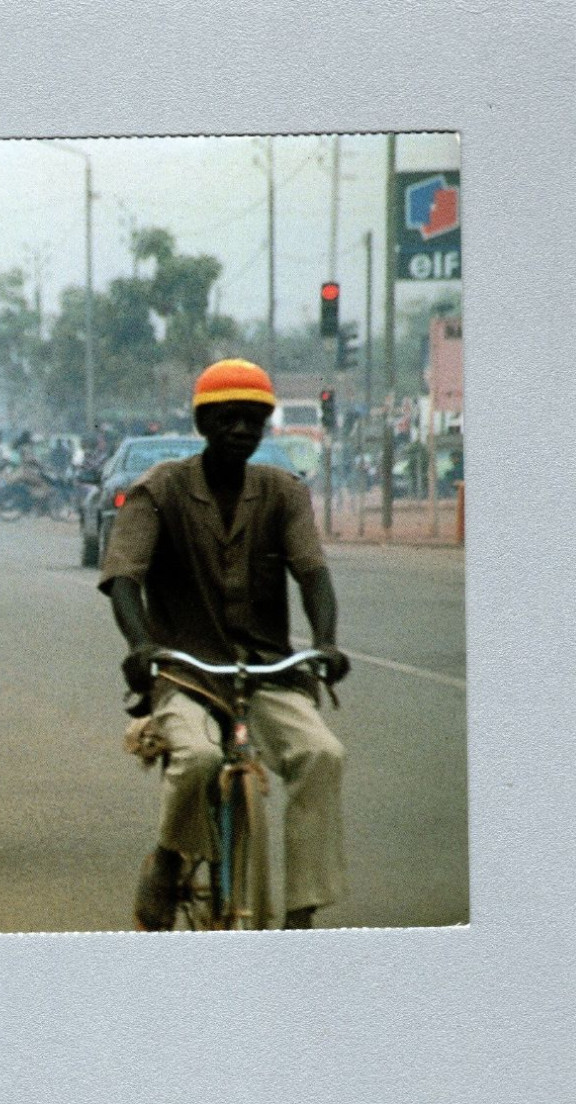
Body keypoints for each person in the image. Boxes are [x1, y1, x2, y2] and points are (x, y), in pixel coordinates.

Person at [97, 359, 351, 931]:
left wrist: (328, 643)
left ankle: (302, 911)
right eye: (229, 418)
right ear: (205, 423)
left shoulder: (284, 492)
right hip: (186, 672)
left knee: (321, 755)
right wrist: (141, 645)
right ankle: (168, 857)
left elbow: (312, 573)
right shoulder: (158, 490)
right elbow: (123, 578)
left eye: (254, 420)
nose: (242, 430)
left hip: (269, 671)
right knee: (198, 760)